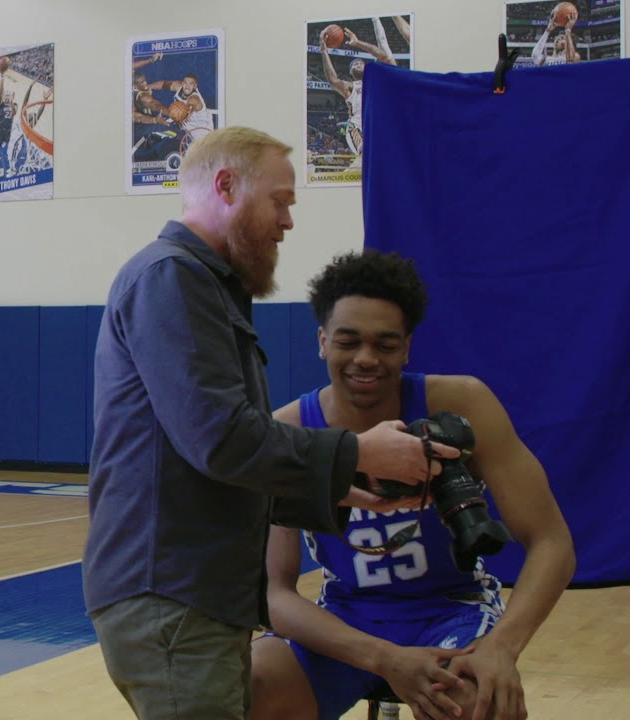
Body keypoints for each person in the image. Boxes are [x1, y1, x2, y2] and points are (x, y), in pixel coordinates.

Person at [83, 126, 460, 720]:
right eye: (280, 201)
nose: (287, 222)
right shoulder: (171, 276)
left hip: (198, 594)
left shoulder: (203, 286)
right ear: (226, 186)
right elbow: (221, 440)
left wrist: (334, 483)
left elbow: (214, 465)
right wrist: (356, 453)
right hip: (173, 592)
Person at [250, 250, 575, 720]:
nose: (365, 358)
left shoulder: (464, 404)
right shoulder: (290, 432)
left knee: (481, 702)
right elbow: (274, 593)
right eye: (348, 341)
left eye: (385, 345)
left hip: (451, 611)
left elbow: (552, 542)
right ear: (322, 341)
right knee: (249, 686)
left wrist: (500, 648)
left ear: (407, 348)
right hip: (347, 617)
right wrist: (383, 658)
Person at [320, 18, 397, 162]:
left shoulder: (375, 81)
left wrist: (358, 42)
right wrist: (324, 51)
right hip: (357, 128)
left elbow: (382, 55)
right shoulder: (350, 87)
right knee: (367, 154)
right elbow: (333, 80)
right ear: (350, 73)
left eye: (360, 62)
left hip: (377, 126)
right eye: (354, 64)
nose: (357, 63)